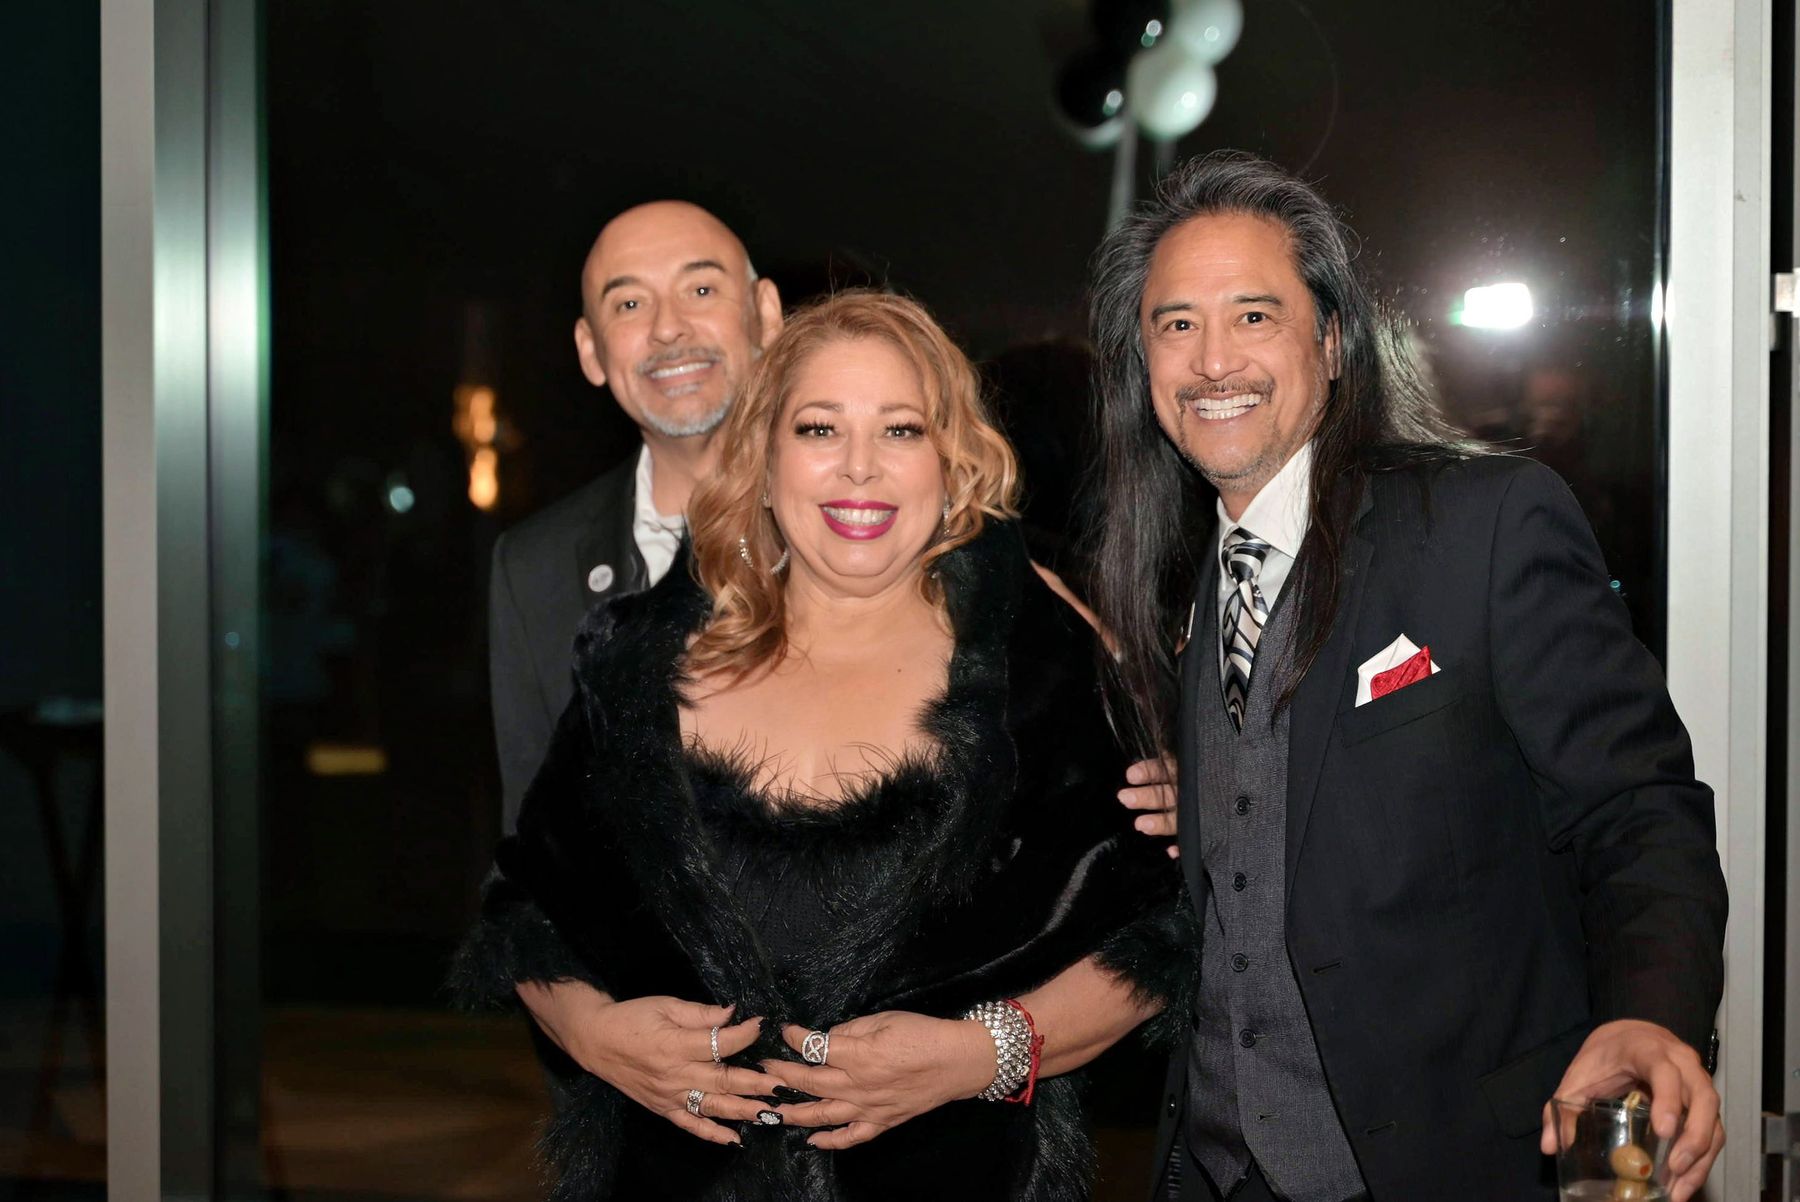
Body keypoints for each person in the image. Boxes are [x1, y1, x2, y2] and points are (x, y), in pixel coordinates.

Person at [1082, 151, 1729, 1202]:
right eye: (1177, 323)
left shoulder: (1484, 523)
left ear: (1334, 341)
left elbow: (1636, 807)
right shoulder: (1177, 578)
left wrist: (1650, 1015)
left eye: (1255, 316)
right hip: (1215, 1166)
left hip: (1447, 1159)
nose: (1213, 360)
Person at [455, 290, 1193, 1200]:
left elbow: (1159, 930)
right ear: (764, 460)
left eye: (900, 430)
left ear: (951, 461)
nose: (859, 467)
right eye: (818, 429)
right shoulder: (635, 663)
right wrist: (595, 1037)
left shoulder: (1042, 667)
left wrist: (977, 1055)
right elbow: (528, 909)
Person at [488, 200, 783, 833]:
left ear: (765, 314)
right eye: (629, 304)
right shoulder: (534, 567)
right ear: (591, 351)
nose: (668, 328)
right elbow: (531, 845)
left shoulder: (858, 521)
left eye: (700, 290)